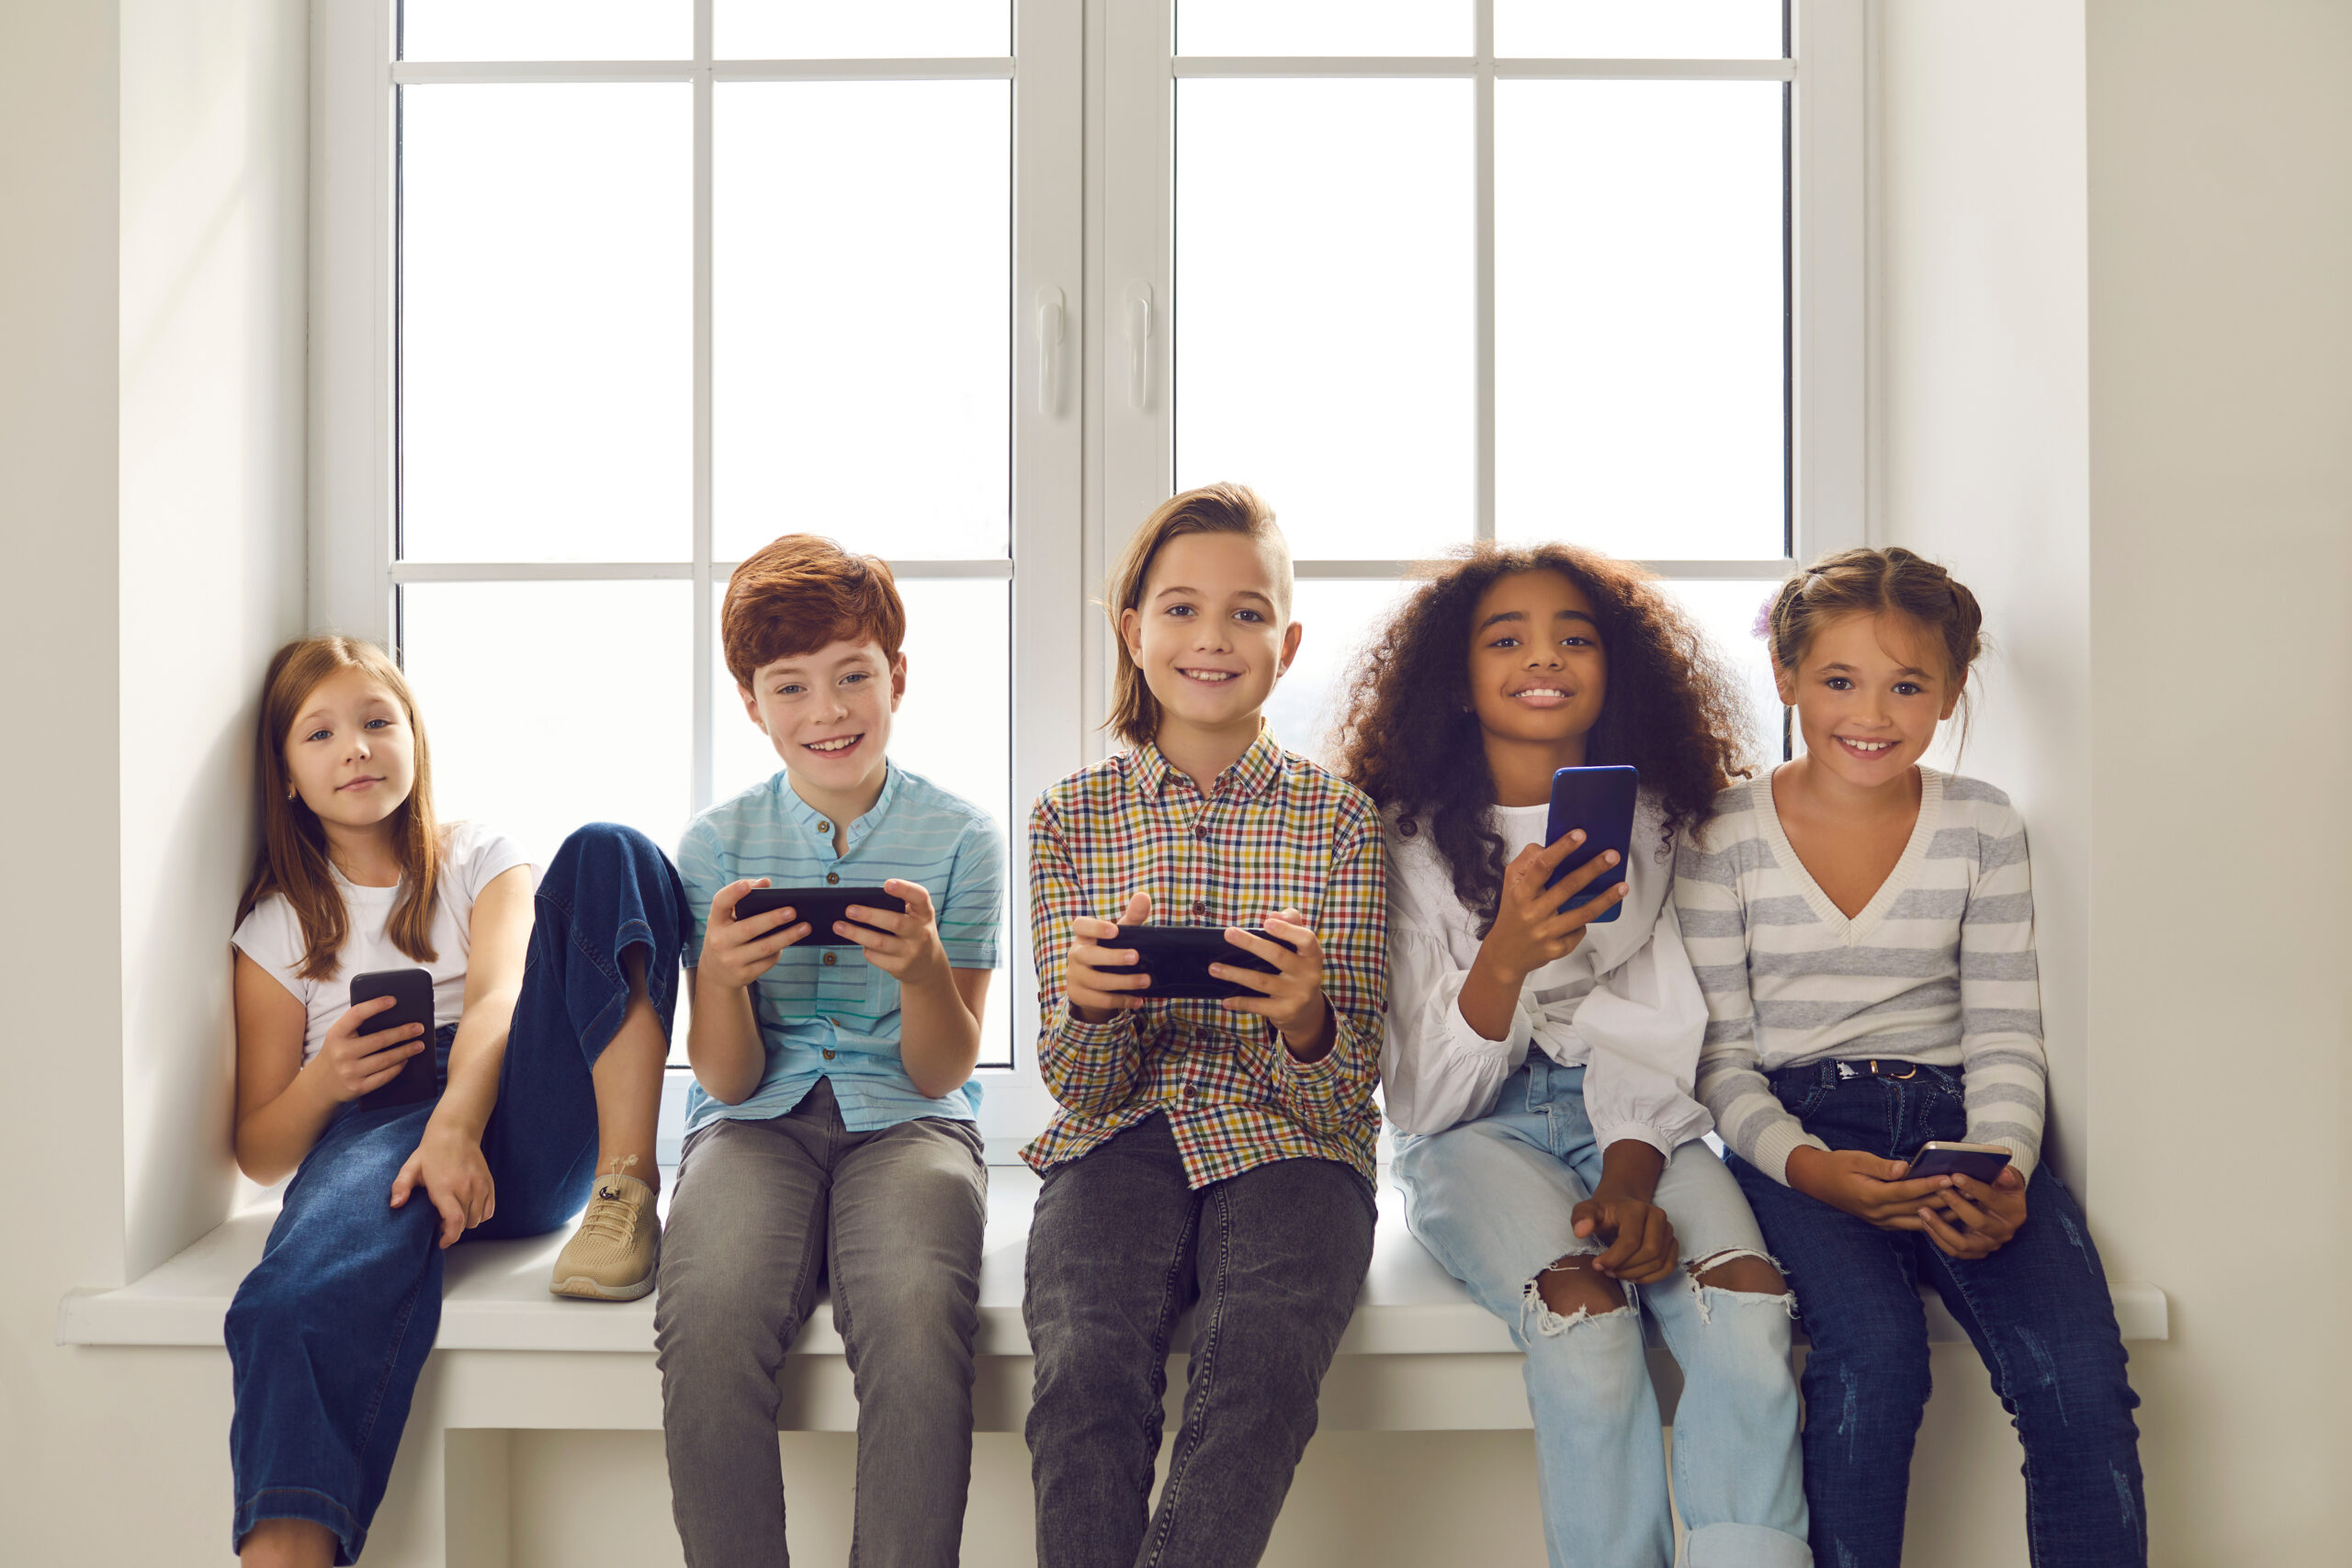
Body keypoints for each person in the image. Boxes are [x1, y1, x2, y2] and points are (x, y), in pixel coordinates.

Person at [1338, 543, 1812, 1568]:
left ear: (1615, 669)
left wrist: (1634, 1176)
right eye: (1503, 640)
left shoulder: (1661, 823)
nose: (1540, 657)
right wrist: (1504, 955)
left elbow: (1659, 1020)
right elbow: (1421, 1101)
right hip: (1473, 1138)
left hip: (1641, 1124)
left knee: (1743, 1304)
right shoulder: (1401, 842)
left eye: (1573, 638)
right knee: (1585, 1318)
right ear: (1455, 682)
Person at [1677, 547, 2146, 1568]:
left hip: (1959, 1131)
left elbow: (2005, 1034)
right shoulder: (1720, 836)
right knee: (1875, 1359)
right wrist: (1811, 1170)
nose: (1872, 713)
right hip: (1795, 1141)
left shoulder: (1979, 825)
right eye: (1839, 680)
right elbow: (1720, 1064)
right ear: (1787, 679)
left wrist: (2006, 1169)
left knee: (2078, 1378)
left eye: (1907, 686)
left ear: (1950, 690)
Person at [226, 636, 686, 1567]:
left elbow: (498, 1001)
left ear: (414, 740)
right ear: (285, 775)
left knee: (611, 851)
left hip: (510, 1112)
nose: (355, 748)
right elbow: (261, 1153)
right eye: (320, 734)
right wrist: (326, 1083)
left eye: (376, 722)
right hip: (371, 1135)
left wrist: (454, 1127)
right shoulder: (276, 927)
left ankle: (625, 1190)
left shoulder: (478, 855)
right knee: (285, 1303)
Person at [1021, 482, 1385, 1568]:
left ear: (1288, 641)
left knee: (1263, 1363)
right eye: (1179, 609)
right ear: (1131, 631)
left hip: (1294, 1141)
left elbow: (1345, 1085)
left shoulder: (1340, 819)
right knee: (1085, 1363)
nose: (1211, 639)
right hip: (1120, 1132)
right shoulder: (1068, 818)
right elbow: (1077, 1087)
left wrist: (1305, 1016)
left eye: (1246, 612)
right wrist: (1089, 1004)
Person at [652, 536, 1005, 1568]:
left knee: (915, 1319)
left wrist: (924, 969)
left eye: (855, 675)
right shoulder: (714, 847)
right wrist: (718, 979)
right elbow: (726, 1080)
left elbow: (944, 1070)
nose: (828, 710)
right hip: (753, 1123)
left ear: (897, 678)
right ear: (752, 704)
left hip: (911, 1121)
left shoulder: (960, 839)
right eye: (790, 686)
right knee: (707, 1319)